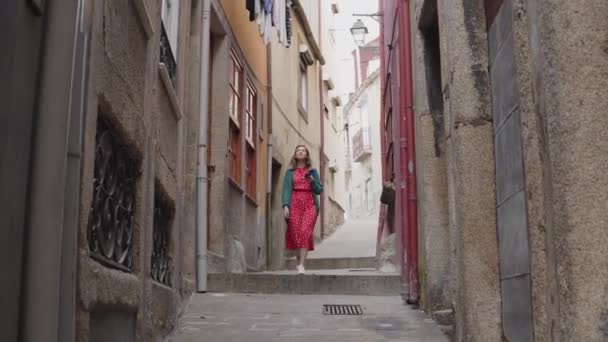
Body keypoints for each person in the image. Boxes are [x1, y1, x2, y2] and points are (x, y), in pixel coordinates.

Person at [282, 145, 323, 274]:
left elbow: (319, 190)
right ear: (295, 155)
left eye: (303, 150)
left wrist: (312, 181)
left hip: (310, 204)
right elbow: (286, 190)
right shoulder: (289, 173)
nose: (300, 152)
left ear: (306, 155)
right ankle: (299, 262)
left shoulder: (313, 172)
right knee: (296, 233)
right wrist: (285, 205)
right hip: (294, 202)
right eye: (298, 150)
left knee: (305, 232)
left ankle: (301, 265)